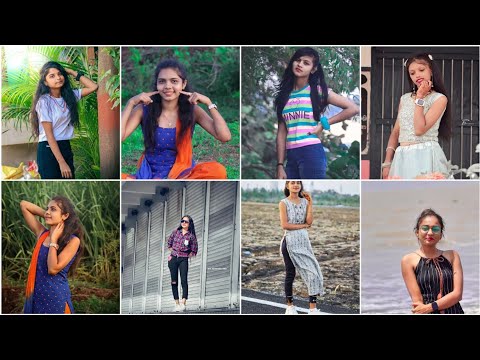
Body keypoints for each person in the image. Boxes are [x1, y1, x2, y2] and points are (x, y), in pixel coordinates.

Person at [121, 58, 231, 179]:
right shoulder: (144, 109)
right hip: (149, 173)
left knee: (218, 171)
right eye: (162, 81)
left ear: (183, 84)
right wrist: (131, 103)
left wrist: (209, 103)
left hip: (182, 173)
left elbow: (224, 137)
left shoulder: (192, 111)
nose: (168, 86)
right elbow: (119, 137)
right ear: (157, 85)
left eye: (174, 81)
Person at [275, 47, 359, 179]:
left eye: (306, 63)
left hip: (311, 152)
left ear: (313, 69)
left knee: (309, 193)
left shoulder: (318, 91)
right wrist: (280, 165)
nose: (300, 64)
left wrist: (324, 123)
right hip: (291, 156)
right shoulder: (284, 96)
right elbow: (281, 132)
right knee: (292, 194)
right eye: (298, 60)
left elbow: (353, 108)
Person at [382, 53, 452, 179]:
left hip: (425, 155)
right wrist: (387, 164)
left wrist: (420, 97)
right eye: (412, 73)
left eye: (421, 70)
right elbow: (396, 132)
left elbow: (419, 130)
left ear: (431, 70)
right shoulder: (404, 99)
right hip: (402, 157)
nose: (417, 75)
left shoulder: (439, 99)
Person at [30, 61, 98, 179]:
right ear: (45, 82)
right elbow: (49, 135)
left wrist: (72, 72)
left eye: (59, 74)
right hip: (48, 148)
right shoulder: (43, 102)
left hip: (64, 145)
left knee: (70, 178)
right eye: (52, 76)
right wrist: (61, 162)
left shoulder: (70, 96)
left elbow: (94, 87)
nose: (58, 78)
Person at [21, 196, 84, 314]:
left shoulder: (72, 241)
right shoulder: (42, 234)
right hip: (36, 298)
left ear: (65, 215)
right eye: (47, 209)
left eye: (53, 209)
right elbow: (24, 204)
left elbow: (53, 269)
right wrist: (48, 215)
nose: (48, 212)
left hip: (56, 299)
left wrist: (53, 240)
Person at [401, 209, 464, 314]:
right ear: (417, 232)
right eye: (425, 228)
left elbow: (457, 294)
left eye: (435, 229)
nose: (430, 233)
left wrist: (430, 307)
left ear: (440, 234)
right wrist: (427, 309)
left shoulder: (452, 256)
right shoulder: (408, 260)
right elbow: (417, 302)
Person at [279, 181, 323, 314]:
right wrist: (302, 226)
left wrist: (310, 203)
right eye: (292, 183)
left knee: (313, 273)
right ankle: (290, 307)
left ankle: (313, 309)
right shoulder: (283, 203)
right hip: (290, 242)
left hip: (304, 242)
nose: (296, 185)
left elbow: (309, 222)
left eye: (298, 183)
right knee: (290, 274)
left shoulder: (305, 202)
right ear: (287, 186)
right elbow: (285, 225)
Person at [167, 215, 198, 312]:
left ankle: (183, 302)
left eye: (186, 221)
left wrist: (185, 256)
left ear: (189, 224)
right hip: (173, 259)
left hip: (183, 260)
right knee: (174, 281)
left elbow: (194, 250)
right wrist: (172, 254)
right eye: (182, 221)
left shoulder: (191, 236)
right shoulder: (176, 232)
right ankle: (176, 304)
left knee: (184, 280)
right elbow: (169, 243)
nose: (183, 223)